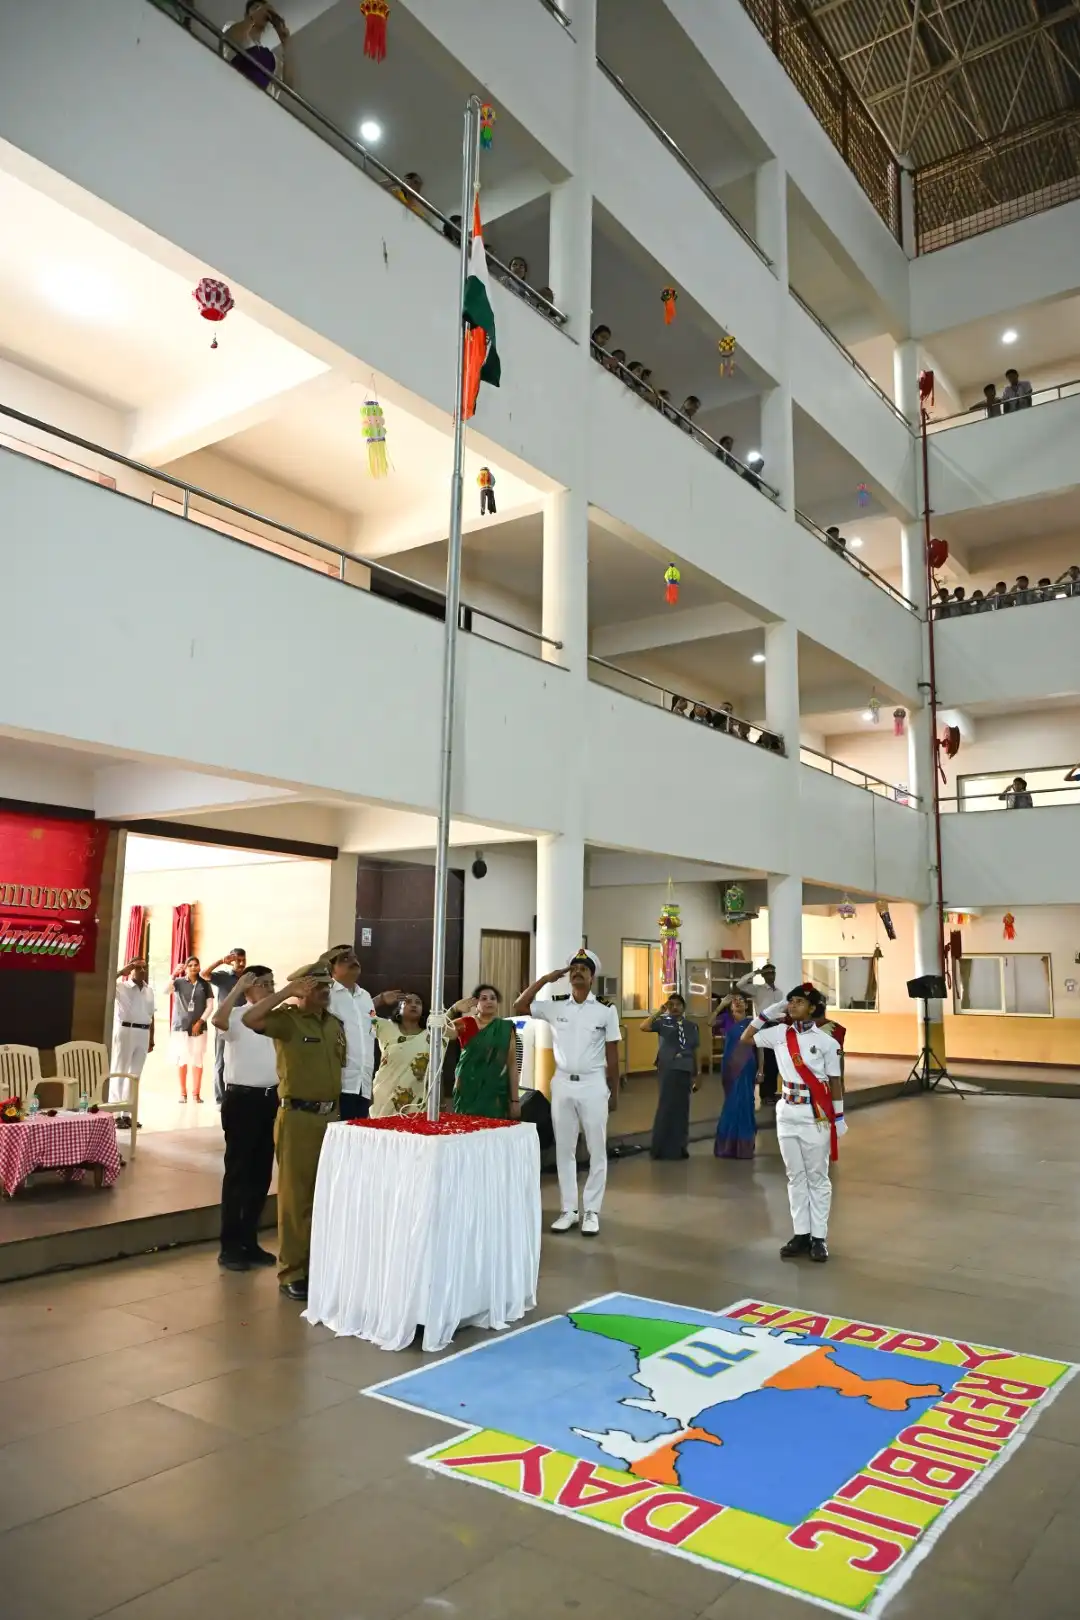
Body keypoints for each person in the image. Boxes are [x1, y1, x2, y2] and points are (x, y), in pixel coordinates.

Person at [242, 963, 346, 1301]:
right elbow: (250, 1020)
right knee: (295, 1199)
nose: (325, 991)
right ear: (303, 988)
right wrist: (285, 993)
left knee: (325, 1197)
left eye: (327, 985)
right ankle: (293, 1271)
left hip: (331, 1118)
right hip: (298, 1117)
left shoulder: (333, 1025)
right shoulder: (287, 1020)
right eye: (318, 986)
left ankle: (319, 1265)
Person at [514, 948, 620, 1236]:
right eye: (573, 968)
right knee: (565, 1149)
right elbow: (519, 1007)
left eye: (583, 969)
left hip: (593, 1084)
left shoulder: (606, 1009)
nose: (577, 972)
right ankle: (569, 1210)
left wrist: (615, 1090)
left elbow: (613, 1052)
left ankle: (592, 1212)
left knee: (597, 1150)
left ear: (592, 976)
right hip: (562, 1083)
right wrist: (546, 979)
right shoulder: (556, 1005)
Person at [739, 982, 845, 1261]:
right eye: (791, 1001)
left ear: (813, 1007)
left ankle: (819, 1238)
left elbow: (835, 1081)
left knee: (818, 1178)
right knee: (795, 1177)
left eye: (799, 1001)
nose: (793, 1005)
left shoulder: (827, 1042)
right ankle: (801, 1234)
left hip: (815, 1116)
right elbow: (747, 1038)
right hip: (787, 1112)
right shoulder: (778, 1034)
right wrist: (765, 1014)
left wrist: (840, 1116)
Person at [213, 966, 280, 1272]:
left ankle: (249, 1241)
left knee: (261, 1173)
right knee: (238, 1174)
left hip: (271, 1098)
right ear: (249, 988)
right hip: (242, 1100)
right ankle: (229, 1246)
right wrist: (238, 988)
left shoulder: (279, 1017)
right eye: (262, 984)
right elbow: (217, 1020)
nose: (268, 988)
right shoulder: (238, 1014)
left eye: (271, 983)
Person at [320, 944, 400, 1120]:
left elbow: (363, 1023)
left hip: (363, 1084)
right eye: (345, 959)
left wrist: (378, 1000)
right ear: (331, 967)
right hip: (339, 1084)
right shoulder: (326, 994)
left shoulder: (364, 996)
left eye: (355, 958)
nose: (354, 961)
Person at [447, 984, 520, 1118]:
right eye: (484, 998)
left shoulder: (505, 1028)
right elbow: (440, 1031)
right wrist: (453, 1009)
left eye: (493, 998)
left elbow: (512, 1064)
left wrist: (515, 1100)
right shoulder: (465, 1023)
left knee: (493, 1133)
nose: (489, 1001)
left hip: (495, 1091)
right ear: (476, 1003)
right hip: (467, 1088)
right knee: (466, 1130)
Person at [641, 992, 699, 1160]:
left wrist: (698, 1073)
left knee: (682, 1109)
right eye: (671, 1005)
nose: (674, 1008)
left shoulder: (691, 1026)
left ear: (683, 1007)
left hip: (685, 1069)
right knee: (666, 1107)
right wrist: (660, 1011)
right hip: (668, 1068)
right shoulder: (663, 1023)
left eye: (678, 1004)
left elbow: (695, 1049)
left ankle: (680, 1147)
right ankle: (661, 1148)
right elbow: (643, 1026)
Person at [111, 958, 155, 1131]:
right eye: (137, 967)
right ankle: (114, 1115)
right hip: (125, 1031)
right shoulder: (121, 987)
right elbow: (106, 982)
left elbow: (151, 1015)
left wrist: (151, 1037)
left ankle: (127, 1114)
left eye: (144, 967)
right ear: (130, 969)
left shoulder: (149, 990)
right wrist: (121, 972)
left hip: (143, 1032)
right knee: (120, 1072)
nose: (142, 970)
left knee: (135, 1075)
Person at [371, 992, 432, 1116]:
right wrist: (380, 999)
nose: (414, 1005)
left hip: (416, 1103)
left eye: (418, 1003)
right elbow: (360, 1014)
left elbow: (436, 1072)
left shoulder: (431, 1036)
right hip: (384, 1095)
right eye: (408, 1002)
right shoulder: (386, 1026)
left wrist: (455, 1010)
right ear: (399, 1009)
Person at [713, 991, 757, 1159]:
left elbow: (759, 1047)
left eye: (741, 1001)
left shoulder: (753, 1023)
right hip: (730, 1067)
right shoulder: (727, 1021)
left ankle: (743, 1147)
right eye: (734, 1001)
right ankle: (727, 1146)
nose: (738, 1003)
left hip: (746, 1065)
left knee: (745, 1102)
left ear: (747, 1005)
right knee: (731, 1103)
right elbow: (710, 1022)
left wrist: (761, 1068)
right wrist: (721, 1005)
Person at [204, 948, 247, 1107]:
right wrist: (221, 961)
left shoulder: (248, 977)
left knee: (239, 1059)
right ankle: (221, 1099)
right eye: (238, 960)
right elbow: (204, 974)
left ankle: (238, 1097)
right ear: (231, 960)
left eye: (243, 960)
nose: (241, 963)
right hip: (224, 1022)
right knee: (221, 1060)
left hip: (244, 1023)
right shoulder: (223, 977)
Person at [170, 956, 213, 1104]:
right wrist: (174, 974)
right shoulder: (178, 982)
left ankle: (196, 1094)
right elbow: (165, 990)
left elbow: (210, 1006)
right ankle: (183, 1093)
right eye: (191, 965)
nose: (194, 967)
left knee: (198, 1060)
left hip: (199, 1029)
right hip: (181, 1027)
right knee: (182, 1059)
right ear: (186, 968)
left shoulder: (205, 985)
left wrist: (200, 1022)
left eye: (196, 965)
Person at [225, 2, 293, 90]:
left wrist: (286, 42)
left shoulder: (271, 58)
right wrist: (253, 18)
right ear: (246, 15)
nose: (262, 11)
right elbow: (231, 37)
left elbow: (289, 84)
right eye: (256, 8)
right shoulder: (235, 31)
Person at [736, 964, 779, 1102]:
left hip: (776, 1026)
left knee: (775, 1062)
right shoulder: (757, 990)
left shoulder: (779, 992)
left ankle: (771, 1093)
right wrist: (756, 972)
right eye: (767, 973)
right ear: (764, 976)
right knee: (764, 1060)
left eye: (773, 973)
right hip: (763, 1026)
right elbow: (740, 984)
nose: (771, 975)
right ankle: (764, 1094)